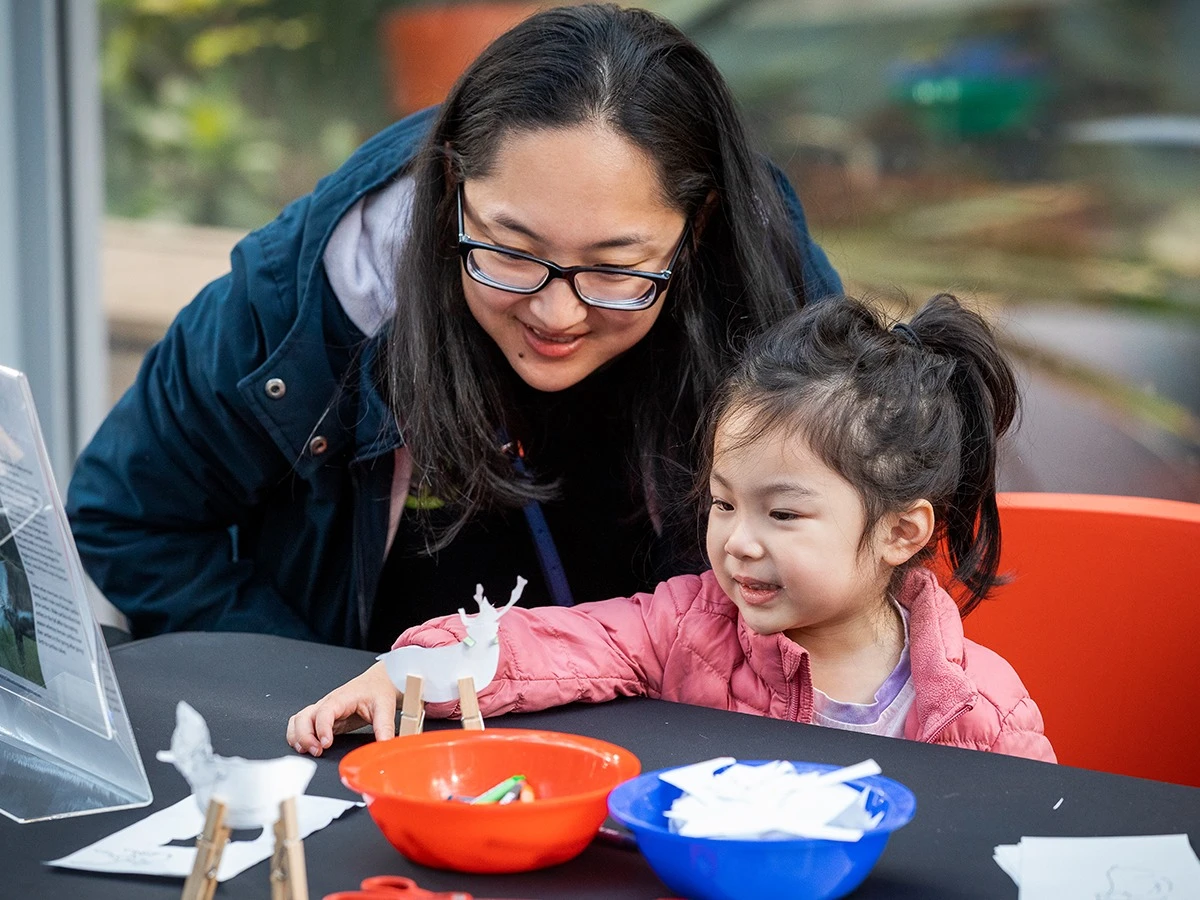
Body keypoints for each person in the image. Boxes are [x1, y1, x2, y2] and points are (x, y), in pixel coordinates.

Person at [65, 5, 841, 649]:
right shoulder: (319, 292)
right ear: (450, 187)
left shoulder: (768, 285)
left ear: (695, 227)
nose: (556, 313)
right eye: (509, 250)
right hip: (386, 748)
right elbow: (130, 516)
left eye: (615, 268)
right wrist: (321, 698)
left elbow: (854, 543)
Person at [287, 293, 1056, 763]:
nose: (738, 540)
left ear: (900, 532)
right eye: (724, 503)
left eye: (782, 513)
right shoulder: (687, 626)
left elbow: (1035, 847)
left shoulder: (976, 708)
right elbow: (553, 646)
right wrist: (405, 671)